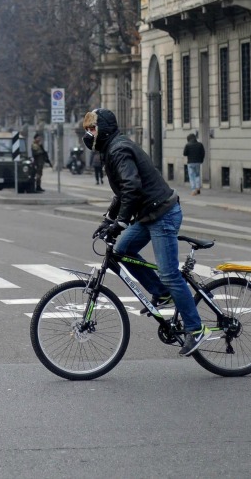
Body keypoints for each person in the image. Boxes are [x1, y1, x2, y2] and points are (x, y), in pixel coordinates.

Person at [83, 108, 208, 356]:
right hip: (149, 214)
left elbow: (132, 187)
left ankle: (195, 329)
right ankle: (161, 293)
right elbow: (121, 192)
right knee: (122, 250)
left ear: (104, 129)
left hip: (162, 214)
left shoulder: (118, 150)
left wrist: (120, 222)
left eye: (92, 129)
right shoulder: (112, 149)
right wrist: (109, 219)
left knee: (170, 273)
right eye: (87, 130)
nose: (88, 134)